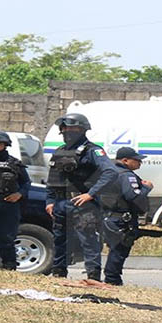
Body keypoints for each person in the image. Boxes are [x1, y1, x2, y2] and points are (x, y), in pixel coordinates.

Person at [45, 113, 114, 281]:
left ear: (82, 129)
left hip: (82, 204)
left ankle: (93, 276)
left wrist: (91, 194)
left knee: (88, 240)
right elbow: (53, 178)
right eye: (66, 128)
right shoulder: (60, 151)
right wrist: (50, 201)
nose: (68, 131)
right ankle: (59, 273)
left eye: (73, 127)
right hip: (60, 202)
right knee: (59, 239)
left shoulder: (93, 150)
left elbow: (110, 172)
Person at [98, 147, 152, 286]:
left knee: (115, 247)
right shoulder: (126, 175)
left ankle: (110, 277)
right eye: (137, 160)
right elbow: (132, 195)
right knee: (120, 248)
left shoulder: (108, 172)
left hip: (108, 216)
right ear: (125, 160)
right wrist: (146, 188)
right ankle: (112, 279)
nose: (140, 163)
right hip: (122, 219)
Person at [0, 131, 30, 271]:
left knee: (7, 238)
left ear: (5, 145)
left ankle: (9, 267)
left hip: (8, 204)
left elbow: (26, 182)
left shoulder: (14, 164)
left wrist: (19, 194)